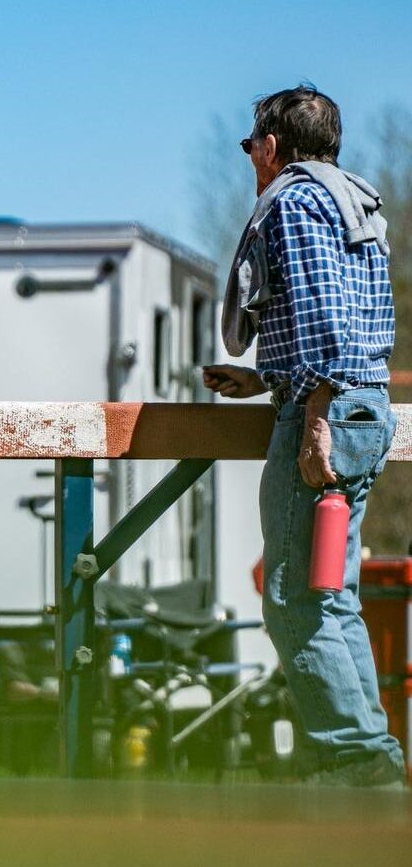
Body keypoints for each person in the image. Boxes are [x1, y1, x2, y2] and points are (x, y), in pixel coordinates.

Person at [203, 84, 404, 788]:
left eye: (250, 144)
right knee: (332, 594)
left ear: (271, 145)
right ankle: (367, 758)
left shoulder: (292, 201)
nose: (250, 158)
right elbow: (350, 322)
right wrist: (264, 378)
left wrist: (314, 415)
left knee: (291, 597)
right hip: (363, 407)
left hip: (324, 413)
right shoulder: (357, 201)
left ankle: (356, 761)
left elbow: (323, 316)